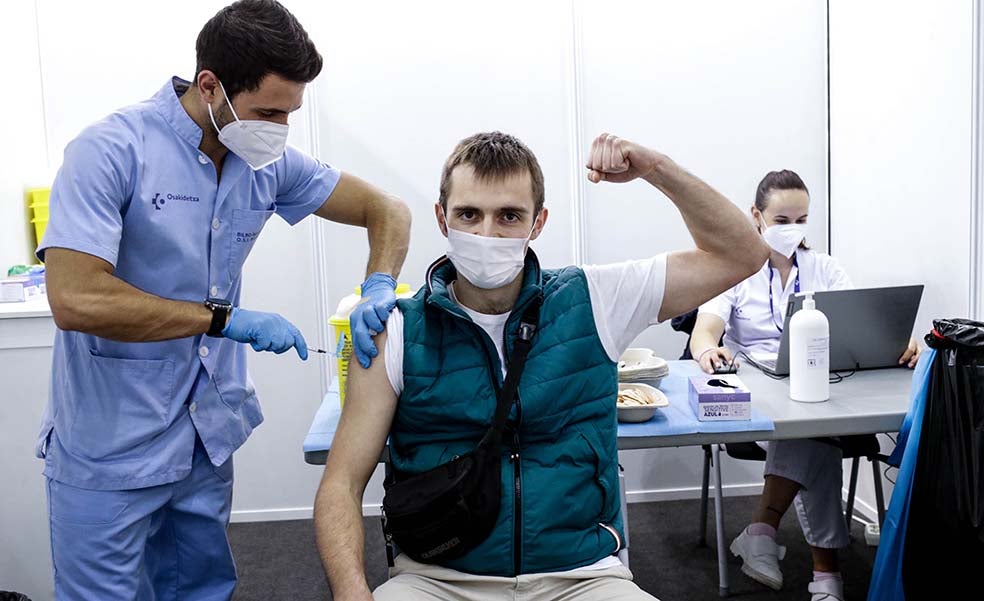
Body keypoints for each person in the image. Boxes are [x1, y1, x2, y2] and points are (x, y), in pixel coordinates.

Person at [37, 1, 411, 599]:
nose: (280, 129)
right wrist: (222, 321)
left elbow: (387, 210)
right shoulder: (110, 151)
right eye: (268, 111)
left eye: (290, 113)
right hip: (109, 446)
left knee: (203, 589)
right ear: (210, 86)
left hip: (204, 439)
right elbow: (76, 299)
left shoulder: (264, 163)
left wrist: (379, 285)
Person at [313, 131, 770, 600]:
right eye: (469, 214)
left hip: (581, 577)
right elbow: (342, 483)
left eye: (509, 216)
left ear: (538, 223)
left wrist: (655, 168)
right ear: (441, 218)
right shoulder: (398, 331)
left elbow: (743, 255)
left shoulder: (594, 300)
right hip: (436, 578)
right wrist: (353, 593)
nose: (486, 234)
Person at [688, 170, 919, 601]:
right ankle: (825, 572)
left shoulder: (824, 267)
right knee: (816, 438)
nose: (793, 229)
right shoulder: (734, 270)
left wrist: (896, 341)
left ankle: (761, 531)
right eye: (781, 220)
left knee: (813, 428)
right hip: (760, 398)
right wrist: (705, 351)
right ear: (756, 216)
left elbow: (860, 324)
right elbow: (705, 329)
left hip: (822, 387)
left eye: (802, 218)